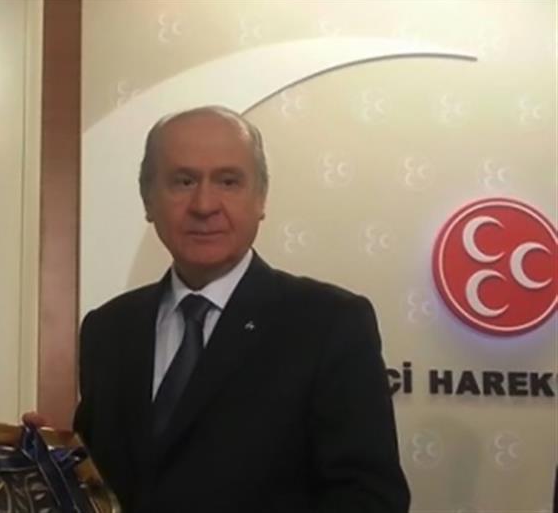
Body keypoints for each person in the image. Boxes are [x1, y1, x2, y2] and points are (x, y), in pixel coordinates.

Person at [52, 106, 410, 512]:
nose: (204, 204)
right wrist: (41, 464)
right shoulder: (108, 329)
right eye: (183, 181)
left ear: (260, 198)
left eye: (228, 181)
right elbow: (96, 489)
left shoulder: (330, 324)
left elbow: (371, 500)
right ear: (147, 200)